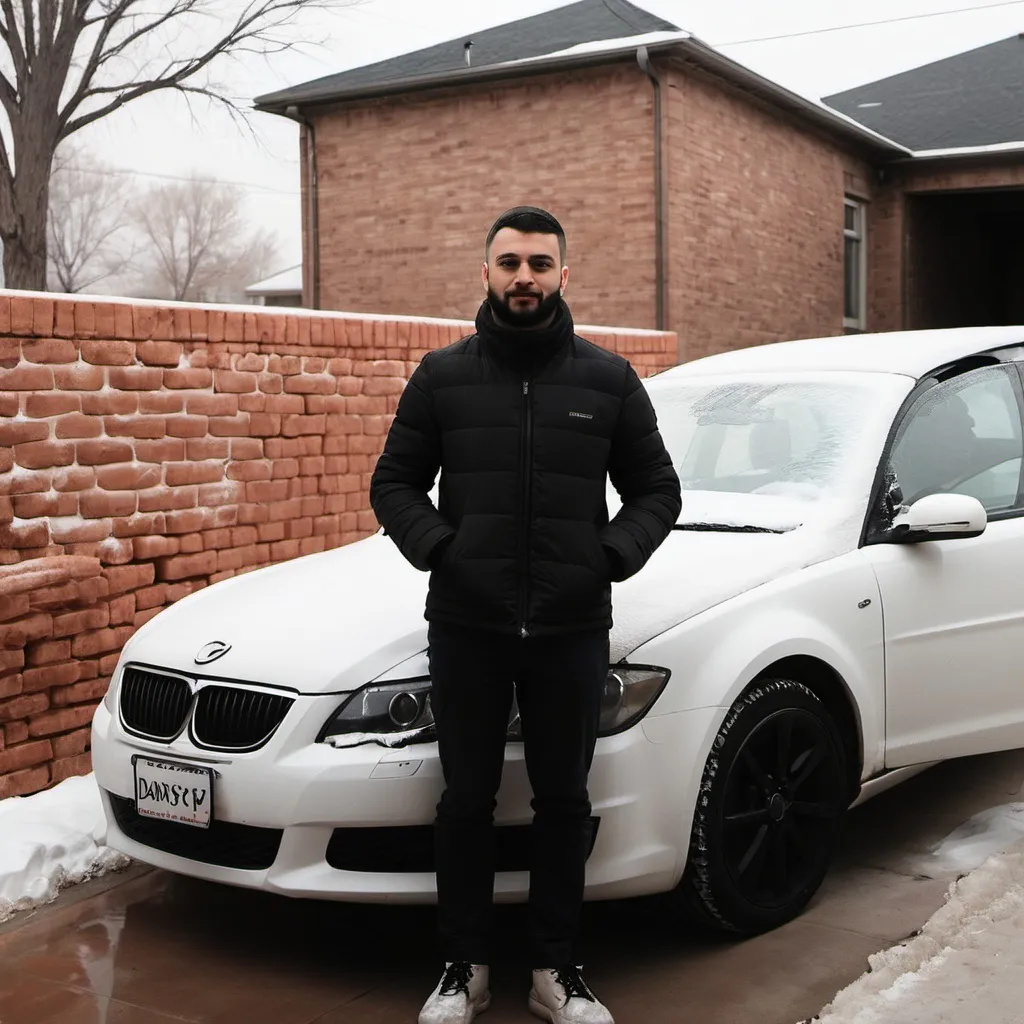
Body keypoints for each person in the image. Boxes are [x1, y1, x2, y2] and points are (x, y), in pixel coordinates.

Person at [369, 206, 681, 1024]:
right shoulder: (442, 377)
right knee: (465, 801)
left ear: (564, 275)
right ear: (485, 273)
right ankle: (461, 967)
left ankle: (556, 969)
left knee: (563, 803)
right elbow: (393, 483)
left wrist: (606, 559)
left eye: (539, 264)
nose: (524, 278)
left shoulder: (608, 380)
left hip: (571, 631)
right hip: (467, 627)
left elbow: (658, 491)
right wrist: (443, 549)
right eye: (509, 263)